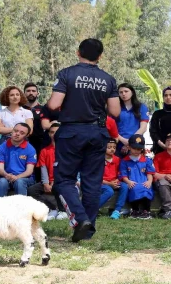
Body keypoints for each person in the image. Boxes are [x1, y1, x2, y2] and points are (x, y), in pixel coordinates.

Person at [46, 38, 120, 242]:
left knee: (64, 180)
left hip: (71, 132)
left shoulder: (67, 73)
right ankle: (87, 231)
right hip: (97, 133)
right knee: (92, 183)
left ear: (78, 52)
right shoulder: (108, 79)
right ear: (100, 56)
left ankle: (80, 220)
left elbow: (54, 104)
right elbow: (115, 110)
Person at [27, 123, 68, 221]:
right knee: (32, 190)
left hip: (62, 180)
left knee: (58, 186)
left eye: (57, 132)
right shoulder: (45, 150)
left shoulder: (67, 150)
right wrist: (45, 183)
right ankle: (52, 208)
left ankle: (62, 210)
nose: (54, 135)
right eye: (52, 132)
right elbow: (43, 168)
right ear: (49, 134)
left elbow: (67, 168)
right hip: (48, 181)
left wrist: (56, 180)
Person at [119, 134, 155, 220]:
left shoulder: (146, 160)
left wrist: (149, 181)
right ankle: (135, 210)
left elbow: (150, 172)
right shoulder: (124, 161)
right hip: (132, 181)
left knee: (146, 189)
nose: (136, 151)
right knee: (134, 189)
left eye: (139, 149)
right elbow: (123, 174)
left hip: (144, 181)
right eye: (134, 148)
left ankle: (146, 211)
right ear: (129, 147)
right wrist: (128, 182)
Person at [0, 123, 37, 197]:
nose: (17, 134)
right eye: (15, 130)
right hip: (7, 175)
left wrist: (17, 177)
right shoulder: (2, 147)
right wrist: (6, 175)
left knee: (19, 182)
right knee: (2, 181)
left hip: (25, 177)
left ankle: (22, 207)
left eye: (22, 133)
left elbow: (29, 171)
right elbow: (0, 168)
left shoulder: (30, 149)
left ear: (26, 136)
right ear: (12, 131)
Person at [115, 83, 150, 156]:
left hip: (136, 145)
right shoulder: (116, 107)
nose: (123, 94)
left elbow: (143, 128)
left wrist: (130, 142)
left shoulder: (141, 107)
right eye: (121, 92)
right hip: (118, 144)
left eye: (126, 91)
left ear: (132, 92)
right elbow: (111, 127)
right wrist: (123, 140)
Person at [102, 139, 127, 220]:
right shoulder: (99, 159)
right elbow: (96, 177)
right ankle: (93, 209)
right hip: (102, 183)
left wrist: (117, 179)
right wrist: (109, 183)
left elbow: (120, 172)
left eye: (114, 147)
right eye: (109, 147)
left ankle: (117, 210)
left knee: (124, 186)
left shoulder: (117, 159)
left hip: (114, 181)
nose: (112, 149)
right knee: (109, 191)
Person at [23, 83, 46, 154]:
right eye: (28, 91)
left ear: (37, 93)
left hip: (39, 143)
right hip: (22, 141)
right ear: (24, 93)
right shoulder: (19, 109)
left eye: (33, 91)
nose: (31, 93)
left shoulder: (44, 109)